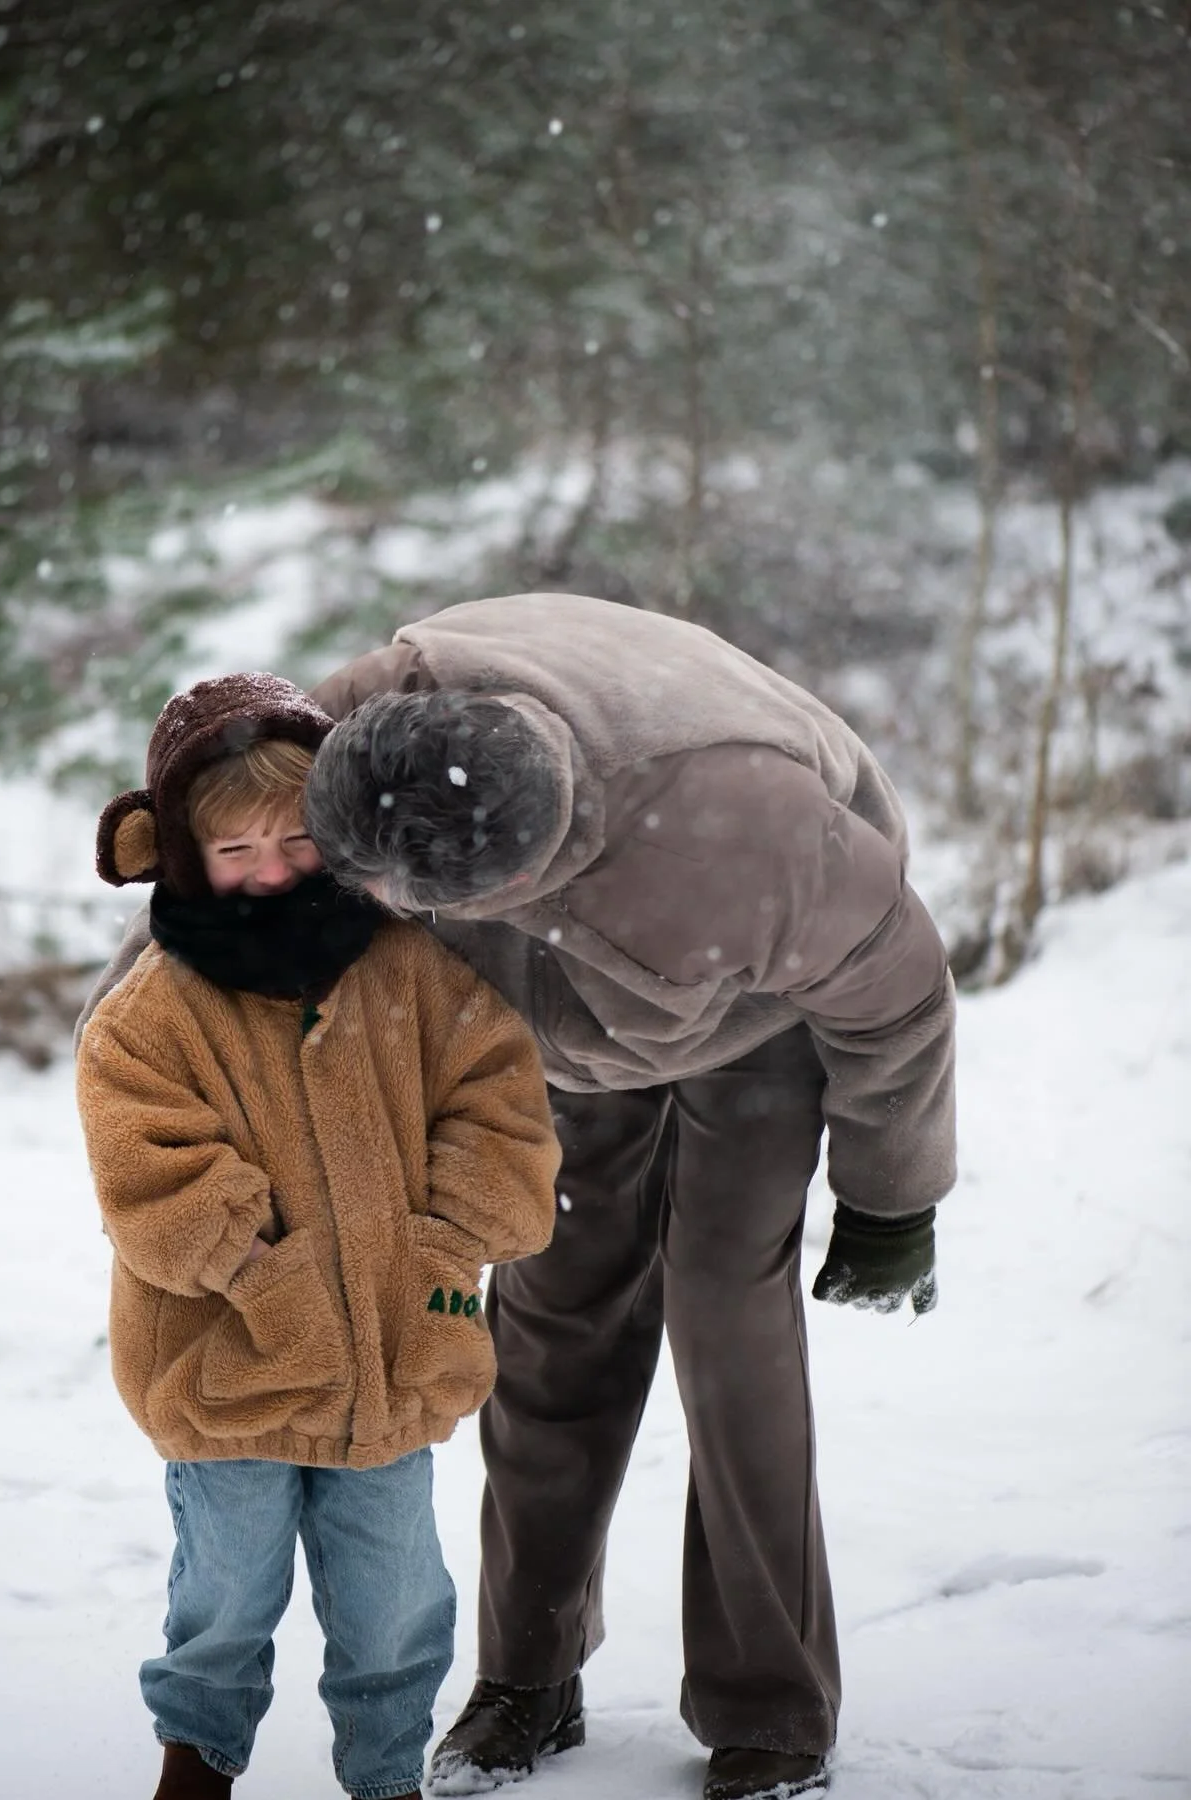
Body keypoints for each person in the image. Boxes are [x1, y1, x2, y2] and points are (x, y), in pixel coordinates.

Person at [295, 593, 957, 1800]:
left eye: (421, 905)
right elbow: (216, 886)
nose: (393, 917)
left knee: (730, 1332)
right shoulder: (357, 732)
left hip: (753, 1009)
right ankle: (526, 1678)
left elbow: (900, 996)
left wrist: (891, 1199)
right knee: (549, 1320)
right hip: (546, 1031)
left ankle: (772, 1709)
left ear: (539, 868)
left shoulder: (748, 830)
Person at [75, 672, 561, 1800]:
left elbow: (499, 1105)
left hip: (397, 1362)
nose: (272, 869)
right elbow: (149, 1171)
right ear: (181, 853)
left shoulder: (409, 972)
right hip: (226, 1368)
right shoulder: (151, 1012)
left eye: (297, 839)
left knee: (395, 1599)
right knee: (225, 1594)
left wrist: (444, 1246)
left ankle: (386, 1774)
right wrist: (261, 1272)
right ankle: (195, 1764)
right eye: (235, 850)